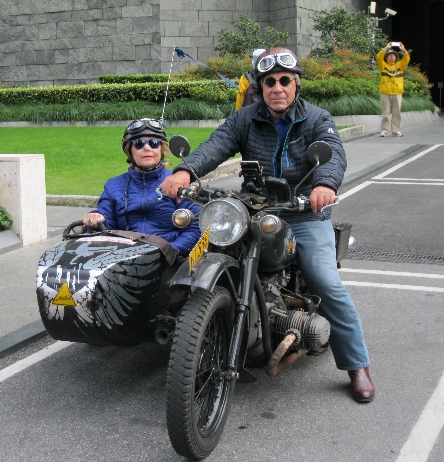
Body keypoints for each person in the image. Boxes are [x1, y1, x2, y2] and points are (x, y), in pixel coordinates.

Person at [160, 47, 375, 403]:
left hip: (302, 212)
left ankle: (356, 365)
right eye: (269, 82)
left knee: (326, 281)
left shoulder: (317, 118)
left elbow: (332, 154)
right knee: (202, 258)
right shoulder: (246, 118)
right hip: (254, 208)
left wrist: (324, 185)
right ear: (260, 86)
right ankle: (201, 334)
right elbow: (217, 145)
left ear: (295, 84)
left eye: (284, 81)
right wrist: (186, 170)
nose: (277, 88)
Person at [82, 118, 201, 258]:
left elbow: (194, 229)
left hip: (170, 261)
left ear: (161, 149)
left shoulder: (177, 182)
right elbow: (104, 223)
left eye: (154, 143)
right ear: (129, 151)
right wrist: (95, 217)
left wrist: (168, 252)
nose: (147, 148)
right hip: (125, 260)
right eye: (139, 144)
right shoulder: (113, 185)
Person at [377, 42, 410, 137]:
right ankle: (384, 130)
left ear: (396, 57)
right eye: (390, 55)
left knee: (397, 113)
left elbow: (407, 58)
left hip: (398, 93)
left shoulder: (400, 66)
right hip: (385, 93)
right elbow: (379, 57)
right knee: (386, 113)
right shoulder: (383, 66)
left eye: (393, 55)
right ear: (386, 57)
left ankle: (396, 130)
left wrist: (403, 49)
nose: (392, 57)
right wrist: (386, 48)